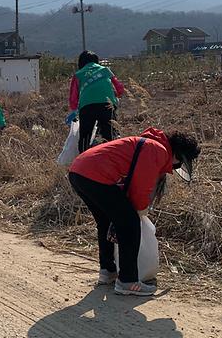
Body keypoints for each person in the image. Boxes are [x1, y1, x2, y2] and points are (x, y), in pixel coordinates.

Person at [68, 127, 200, 296]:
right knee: (130, 224)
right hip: (95, 175)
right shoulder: (156, 150)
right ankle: (128, 281)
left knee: (106, 221)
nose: (177, 166)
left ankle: (108, 271)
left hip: (79, 172)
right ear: (178, 155)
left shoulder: (151, 144)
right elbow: (140, 187)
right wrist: (140, 210)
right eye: (180, 162)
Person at [68, 50, 125, 153]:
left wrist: (74, 110)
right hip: (108, 105)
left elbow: (73, 97)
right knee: (109, 136)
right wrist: (116, 96)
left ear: (81, 62)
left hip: (87, 106)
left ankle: (84, 161)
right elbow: (119, 88)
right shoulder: (105, 70)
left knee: (85, 136)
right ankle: (110, 159)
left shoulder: (78, 74)